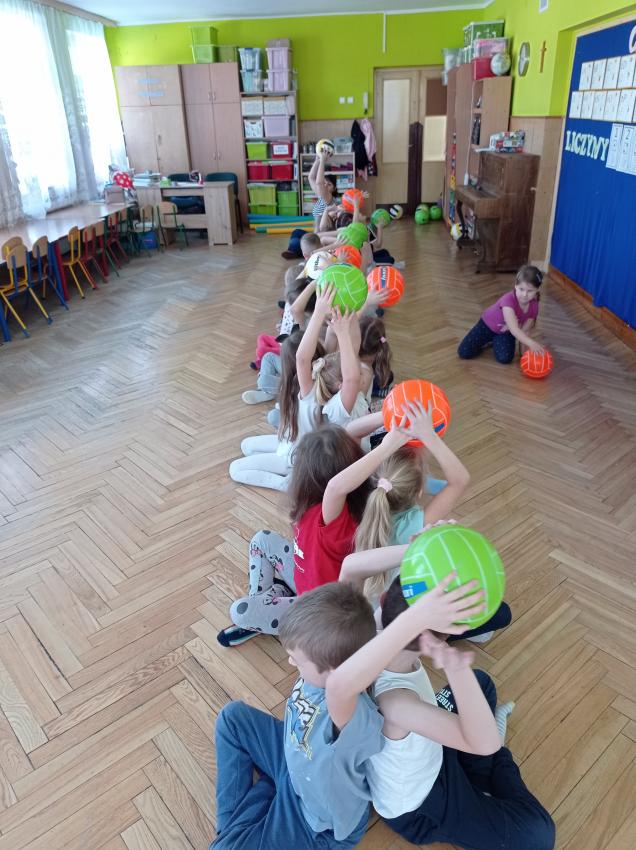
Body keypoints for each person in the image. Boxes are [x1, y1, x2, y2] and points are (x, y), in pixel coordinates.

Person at [212, 573, 485, 850]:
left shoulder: (345, 708)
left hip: (316, 822)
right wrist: (412, 554)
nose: (291, 661)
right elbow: (353, 568)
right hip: (295, 761)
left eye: (298, 659)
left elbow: (341, 686)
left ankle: (239, 830)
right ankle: (237, 828)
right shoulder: (344, 640)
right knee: (232, 718)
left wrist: (417, 618)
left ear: (335, 671)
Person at [364, 578, 556, 850]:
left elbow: (357, 571)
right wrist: (456, 670)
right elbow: (485, 743)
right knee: (538, 836)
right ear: (445, 636)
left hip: (431, 751)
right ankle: (486, 781)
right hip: (422, 807)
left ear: (383, 600)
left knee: (481, 682)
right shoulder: (396, 703)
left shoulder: (373, 628)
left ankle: (476, 782)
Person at [218, 414, 416, 645]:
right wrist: (389, 413)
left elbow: (335, 487)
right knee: (261, 540)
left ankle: (266, 607)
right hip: (303, 576)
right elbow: (351, 432)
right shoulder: (321, 503)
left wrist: (387, 446)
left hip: (317, 609)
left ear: (309, 473)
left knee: (240, 612)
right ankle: (270, 599)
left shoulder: (334, 514)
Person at [229, 331, 323, 491]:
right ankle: (281, 468)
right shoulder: (306, 384)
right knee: (246, 446)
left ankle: (287, 483)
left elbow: (302, 359)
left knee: (235, 469)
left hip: (294, 456)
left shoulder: (308, 391)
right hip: (289, 442)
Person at [458, 265, 545, 364]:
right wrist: (531, 343)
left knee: (505, 358)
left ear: (538, 289)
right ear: (515, 285)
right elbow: (514, 329)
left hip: (505, 331)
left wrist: (524, 356)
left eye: (530, 291)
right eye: (521, 289)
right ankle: (487, 341)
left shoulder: (534, 305)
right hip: (487, 326)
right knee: (464, 352)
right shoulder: (508, 300)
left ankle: (494, 341)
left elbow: (525, 330)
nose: (525, 294)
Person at [281, 153, 337, 259]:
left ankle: (302, 252)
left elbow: (319, 183)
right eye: (325, 182)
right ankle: (293, 251)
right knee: (297, 232)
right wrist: (317, 160)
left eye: (329, 184)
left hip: (321, 239)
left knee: (300, 241)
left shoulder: (328, 198)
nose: (325, 185)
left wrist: (323, 160)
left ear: (334, 189)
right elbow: (311, 177)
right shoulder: (322, 196)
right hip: (315, 235)